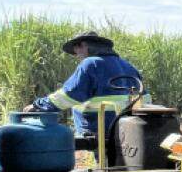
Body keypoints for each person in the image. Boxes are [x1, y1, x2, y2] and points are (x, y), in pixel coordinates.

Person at [23, 31, 146, 161]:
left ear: (83, 45)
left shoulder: (90, 64)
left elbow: (69, 95)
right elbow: (143, 99)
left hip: (98, 132)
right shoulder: (129, 67)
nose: (76, 55)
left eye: (75, 50)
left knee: (106, 167)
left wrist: (39, 105)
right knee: (121, 166)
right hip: (127, 131)